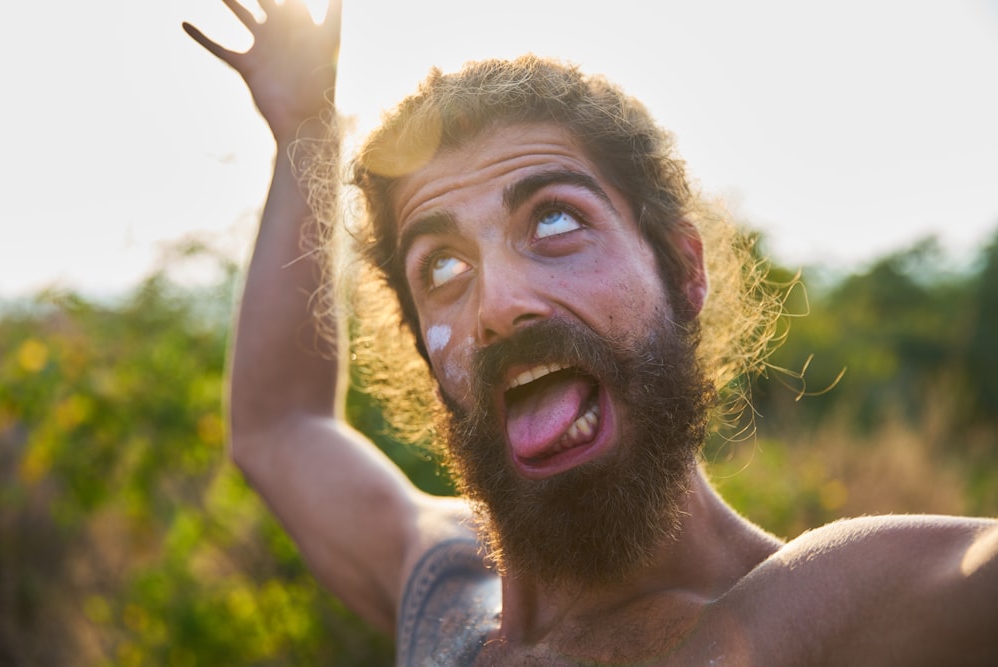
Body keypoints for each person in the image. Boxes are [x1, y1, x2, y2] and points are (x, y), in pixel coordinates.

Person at [184, 1, 998, 664]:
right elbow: (278, 426)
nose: (498, 304)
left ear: (683, 271)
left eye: (557, 219)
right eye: (440, 266)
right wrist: (304, 137)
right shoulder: (439, 589)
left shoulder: (817, 617)